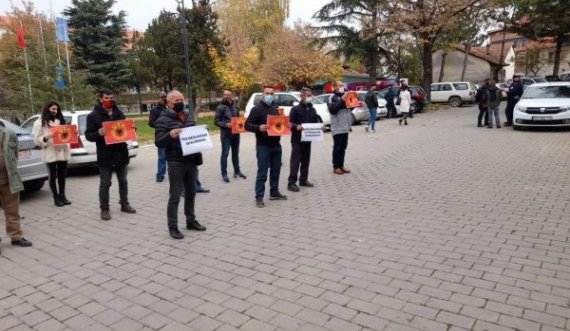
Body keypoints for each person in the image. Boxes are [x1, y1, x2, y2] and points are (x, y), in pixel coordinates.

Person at [155, 90, 206, 239]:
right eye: (176, 100)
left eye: (181, 99)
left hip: (191, 160)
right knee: (175, 196)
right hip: (176, 161)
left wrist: (202, 132)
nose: (180, 102)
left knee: (191, 193)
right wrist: (170, 135)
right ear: (169, 102)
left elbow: (194, 133)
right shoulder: (163, 119)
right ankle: (173, 227)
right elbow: (158, 142)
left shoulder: (188, 115)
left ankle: (191, 221)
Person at [85, 89, 137, 221]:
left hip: (120, 153)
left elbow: (124, 131)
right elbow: (88, 135)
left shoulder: (119, 113)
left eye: (111, 97)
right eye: (107, 97)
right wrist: (98, 133)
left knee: (123, 180)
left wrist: (131, 130)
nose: (110, 100)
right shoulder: (93, 116)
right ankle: (104, 208)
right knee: (105, 183)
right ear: (101, 99)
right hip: (105, 154)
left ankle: (124, 203)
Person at [245, 86, 288, 208]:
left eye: (271, 93)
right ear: (263, 95)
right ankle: (259, 196)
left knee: (276, 170)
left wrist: (285, 126)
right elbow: (247, 125)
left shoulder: (275, 109)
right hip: (263, 146)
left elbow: (278, 124)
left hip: (276, 145)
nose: (269, 95)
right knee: (262, 172)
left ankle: (274, 193)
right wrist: (258, 128)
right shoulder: (256, 109)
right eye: (267, 93)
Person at [0, 121, 33, 251]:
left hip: (9, 179)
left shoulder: (8, 132)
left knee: (13, 211)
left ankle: (16, 237)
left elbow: (15, 154)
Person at [32, 101, 71, 207]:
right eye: (53, 109)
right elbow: (36, 140)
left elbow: (66, 134)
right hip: (50, 151)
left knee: (62, 175)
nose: (55, 111)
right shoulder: (40, 123)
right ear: (47, 109)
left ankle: (62, 195)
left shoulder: (60, 120)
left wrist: (71, 134)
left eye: (57, 109)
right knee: (53, 176)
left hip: (62, 150)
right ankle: (56, 197)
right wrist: (47, 137)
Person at [287, 88, 319, 192]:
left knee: (306, 161)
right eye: (307, 96)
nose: (309, 98)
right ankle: (291, 183)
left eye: (310, 96)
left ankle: (303, 180)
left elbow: (315, 123)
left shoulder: (313, 110)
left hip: (308, 139)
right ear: (302, 96)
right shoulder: (295, 109)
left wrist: (320, 127)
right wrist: (296, 126)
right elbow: (289, 124)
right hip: (297, 139)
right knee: (295, 161)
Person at [215, 88, 246, 183]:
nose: (227, 96)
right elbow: (216, 121)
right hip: (226, 135)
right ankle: (224, 174)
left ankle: (237, 171)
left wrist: (242, 123)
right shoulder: (220, 107)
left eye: (228, 94)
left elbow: (238, 119)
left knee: (235, 154)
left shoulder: (236, 106)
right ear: (223, 96)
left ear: (231, 95)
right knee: (225, 154)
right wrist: (226, 124)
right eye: (225, 94)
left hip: (236, 134)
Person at [328, 80, 352, 175]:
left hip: (346, 126)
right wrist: (342, 100)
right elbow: (333, 110)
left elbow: (349, 108)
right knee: (337, 147)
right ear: (335, 87)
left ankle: (341, 165)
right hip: (337, 127)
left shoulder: (345, 96)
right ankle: (336, 167)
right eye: (340, 85)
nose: (342, 87)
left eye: (343, 85)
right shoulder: (332, 97)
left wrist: (354, 101)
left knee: (343, 147)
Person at [148, 91, 168, 182]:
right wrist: (161, 125)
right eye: (162, 97)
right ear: (158, 99)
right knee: (162, 156)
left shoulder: (170, 108)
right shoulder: (155, 110)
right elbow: (151, 123)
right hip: (161, 136)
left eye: (165, 97)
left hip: (172, 135)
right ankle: (160, 175)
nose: (164, 98)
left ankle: (173, 172)